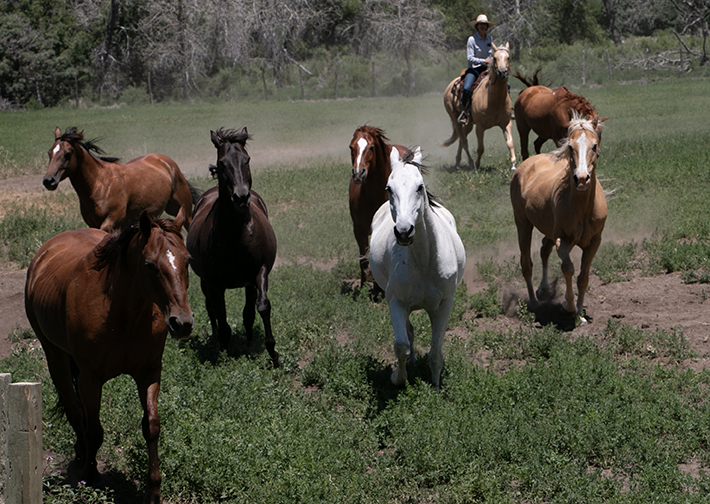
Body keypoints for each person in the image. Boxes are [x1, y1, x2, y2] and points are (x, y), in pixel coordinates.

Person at [458, 14, 493, 125]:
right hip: (474, 69)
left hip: (488, 69)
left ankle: (505, 109)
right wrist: (484, 61)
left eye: (484, 24)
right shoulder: (472, 39)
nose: (482, 26)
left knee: (505, 85)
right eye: (480, 24)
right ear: (477, 26)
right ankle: (464, 111)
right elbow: (470, 58)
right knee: (467, 88)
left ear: (487, 26)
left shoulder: (490, 39)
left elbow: (491, 54)